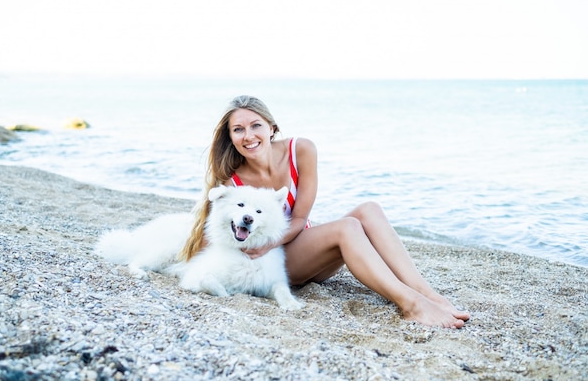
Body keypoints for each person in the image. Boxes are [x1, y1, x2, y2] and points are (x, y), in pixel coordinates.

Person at [179, 95, 470, 328]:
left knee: (368, 210)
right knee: (347, 227)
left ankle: (430, 295)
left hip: (306, 248)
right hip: (273, 264)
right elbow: (217, 236)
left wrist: (273, 239)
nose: (249, 135)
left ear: (271, 127)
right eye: (238, 130)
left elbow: (301, 220)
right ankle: (412, 305)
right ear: (231, 138)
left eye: (256, 125)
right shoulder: (234, 183)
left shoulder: (300, 150)